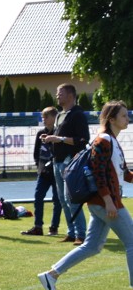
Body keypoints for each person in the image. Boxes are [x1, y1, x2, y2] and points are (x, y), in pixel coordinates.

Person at [38, 100, 133, 290]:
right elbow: (97, 174)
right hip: (106, 202)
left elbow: (123, 173)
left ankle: (50, 275)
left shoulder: (113, 141)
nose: (128, 118)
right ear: (112, 119)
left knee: (91, 246)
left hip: (104, 202)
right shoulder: (103, 141)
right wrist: (108, 201)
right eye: (124, 115)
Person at [43, 83, 90, 245]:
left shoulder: (78, 115)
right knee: (63, 200)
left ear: (70, 95)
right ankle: (71, 232)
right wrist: (49, 137)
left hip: (70, 162)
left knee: (72, 199)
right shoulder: (59, 115)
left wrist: (59, 139)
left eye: (60, 93)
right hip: (57, 161)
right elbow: (59, 136)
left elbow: (83, 140)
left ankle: (81, 234)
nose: (57, 96)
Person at [22, 107, 62, 236]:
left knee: (57, 199)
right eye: (42, 117)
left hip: (57, 172)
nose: (43, 120)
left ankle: (54, 227)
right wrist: (39, 166)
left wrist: (51, 141)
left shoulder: (59, 133)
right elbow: (36, 152)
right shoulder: (40, 133)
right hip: (43, 172)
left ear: (54, 118)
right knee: (38, 197)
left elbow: (60, 152)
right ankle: (38, 226)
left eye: (46, 117)